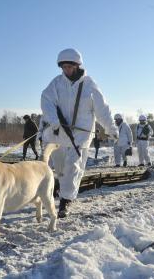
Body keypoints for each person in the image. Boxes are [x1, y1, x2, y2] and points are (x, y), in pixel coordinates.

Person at [41, 48, 118, 218]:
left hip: (80, 137)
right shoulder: (56, 84)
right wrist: (54, 121)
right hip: (58, 134)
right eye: (64, 67)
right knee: (60, 169)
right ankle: (59, 190)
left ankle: (66, 201)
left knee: (73, 168)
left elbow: (102, 110)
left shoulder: (90, 85)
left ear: (77, 65)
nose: (67, 70)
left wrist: (110, 128)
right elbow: (46, 101)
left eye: (70, 66)